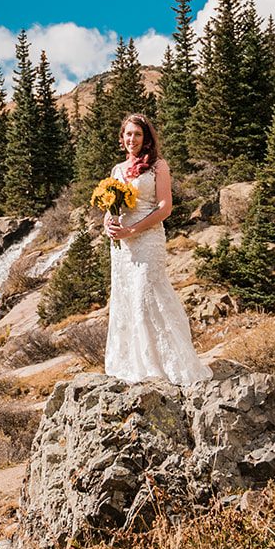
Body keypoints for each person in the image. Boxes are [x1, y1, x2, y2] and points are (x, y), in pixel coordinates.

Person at [102, 113, 207, 385]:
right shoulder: (117, 170)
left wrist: (133, 230)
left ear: (146, 137)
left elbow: (165, 208)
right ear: (121, 138)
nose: (132, 139)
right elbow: (110, 207)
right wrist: (109, 224)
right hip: (123, 246)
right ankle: (135, 366)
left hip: (147, 238)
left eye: (137, 134)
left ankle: (164, 366)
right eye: (128, 134)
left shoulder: (158, 166)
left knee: (146, 296)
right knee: (126, 299)